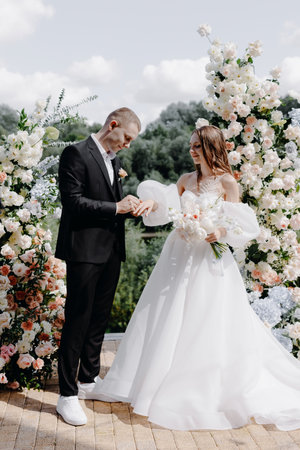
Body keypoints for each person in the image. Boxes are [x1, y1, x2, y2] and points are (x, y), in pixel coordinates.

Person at [99, 125, 300, 431]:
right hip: (178, 255)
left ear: (211, 147)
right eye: (190, 145)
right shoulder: (185, 180)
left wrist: (218, 231)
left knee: (206, 319)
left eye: (196, 146)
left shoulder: (227, 183)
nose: (191, 151)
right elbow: (167, 205)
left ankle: (201, 387)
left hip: (209, 259)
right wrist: (152, 204)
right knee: (165, 315)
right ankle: (154, 381)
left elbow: (239, 222)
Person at [55, 107, 141, 426]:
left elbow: (110, 204)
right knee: (77, 320)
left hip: (110, 251)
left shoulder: (113, 159)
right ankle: (67, 395)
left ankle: (88, 381)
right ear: (112, 125)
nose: (127, 145)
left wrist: (128, 206)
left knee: (99, 318)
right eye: (127, 137)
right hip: (83, 250)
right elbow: (73, 202)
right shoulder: (75, 153)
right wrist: (115, 207)